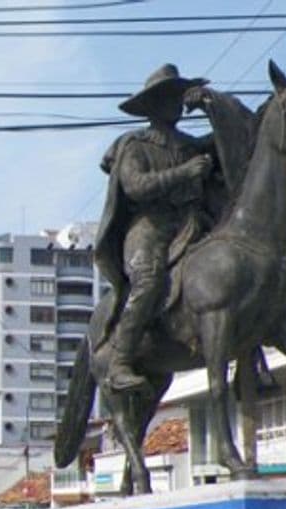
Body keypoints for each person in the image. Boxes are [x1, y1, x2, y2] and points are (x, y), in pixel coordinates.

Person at [94, 64, 222, 391]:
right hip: (148, 228)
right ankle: (120, 361)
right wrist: (185, 172)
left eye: (179, 96)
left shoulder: (190, 145)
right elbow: (135, 186)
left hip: (189, 224)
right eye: (169, 97)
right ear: (152, 105)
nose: (176, 103)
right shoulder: (133, 145)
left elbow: (226, 140)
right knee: (149, 282)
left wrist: (210, 106)